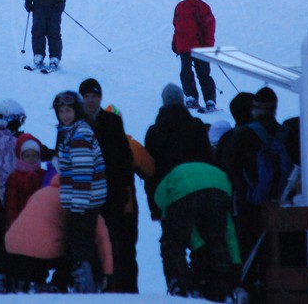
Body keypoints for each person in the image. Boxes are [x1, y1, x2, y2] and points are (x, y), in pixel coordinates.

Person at [227, 86, 295, 285]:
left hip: (250, 206)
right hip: (282, 205)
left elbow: (230, 169)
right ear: (275, 108)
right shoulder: (288, 134)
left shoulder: (242, 135)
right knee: (278, 251)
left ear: (254, 109)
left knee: (249, 250)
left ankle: (250, 289)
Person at [77, 79, 137, 293]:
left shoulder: (112, 121)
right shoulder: (76, 122)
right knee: (87, 241)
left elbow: (125, 157)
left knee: (111, 242)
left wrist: (123, 188)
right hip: (84, 195)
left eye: (93, 96)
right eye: (86, 96)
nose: (90, 100)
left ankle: (112, 287)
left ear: (100, 98)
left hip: (111, 194)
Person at [155, 161, 241, 301]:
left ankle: (181, 289)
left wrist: (199, 246)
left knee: (172, 244)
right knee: (215, 239)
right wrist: (236, 263)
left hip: (183, 189)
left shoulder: (161, 194)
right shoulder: (206, 172)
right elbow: (228, 230)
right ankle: (221, 286)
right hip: (221, 185)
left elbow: (179, 223)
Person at [51, 91, 106, 293]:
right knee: (82, 242)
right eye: (61, 112)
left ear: (77, 111)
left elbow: (83, 172)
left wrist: (77, 207)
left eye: (68, 110)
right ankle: (95, 281)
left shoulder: (79, 134)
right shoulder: (71, 132)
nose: (64, 115)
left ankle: (86, 284)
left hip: (83, 202)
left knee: (80, 244)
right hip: (81, 201)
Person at [143, 84, 215, 219]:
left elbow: (151, 172)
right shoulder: (197, 126)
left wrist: (154, 206)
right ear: (182, 101)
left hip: (169, 197)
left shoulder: (154, 133)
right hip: (198, 193)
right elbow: (208, 161)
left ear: (164, 102)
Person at [172, 0, 219, 112]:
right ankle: (191, 97)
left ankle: (210, 100)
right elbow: (176, 26)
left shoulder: (203, 7)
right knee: (186, 73)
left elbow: (210, 28)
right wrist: (175, 43)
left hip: (200, 47)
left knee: (203, 74)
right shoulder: (179, 7)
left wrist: (208, 46)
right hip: (184, 46)